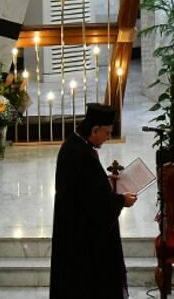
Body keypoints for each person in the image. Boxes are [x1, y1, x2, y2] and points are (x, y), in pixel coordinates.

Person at [49, 103, 137, 299]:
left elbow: (85, 186)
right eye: (106, 133)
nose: (109, 137)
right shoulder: (81, 154)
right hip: (82, 239)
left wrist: (105, 181)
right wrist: (122, 200)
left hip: (76, 232)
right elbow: (96, 203)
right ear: (95, 129)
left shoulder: (76, 145)